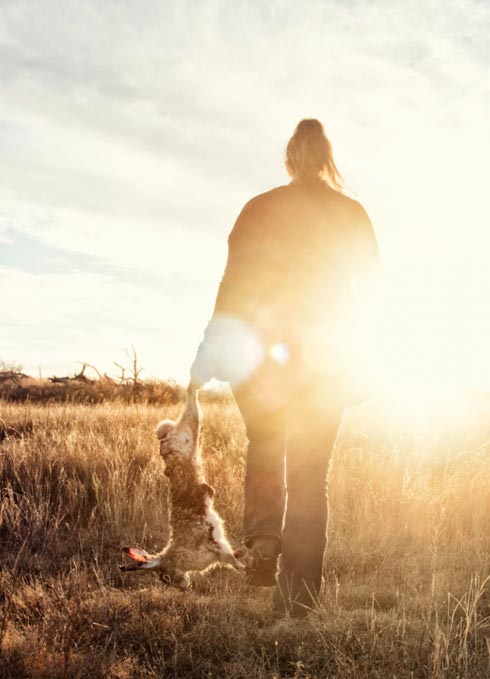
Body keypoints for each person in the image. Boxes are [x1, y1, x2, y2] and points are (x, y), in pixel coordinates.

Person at [190, 118, 381, 617]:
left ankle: (263, 540)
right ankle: (297, 600)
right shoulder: (352, 214)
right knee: (311, 473)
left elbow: (232, 287)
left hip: (261, 358)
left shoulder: (258, 209)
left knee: (266, 445)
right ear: (326, 158)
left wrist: (211, 348)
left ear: (290, 158)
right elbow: (373, 295)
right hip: (327, 362)